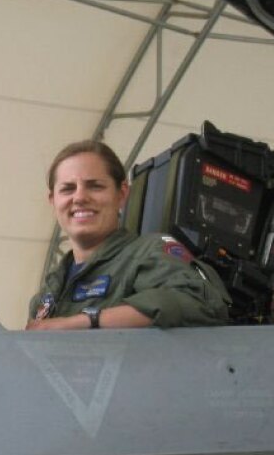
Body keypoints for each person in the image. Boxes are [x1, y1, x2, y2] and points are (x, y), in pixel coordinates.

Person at [27, 140, 231, 331]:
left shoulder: (148, 252)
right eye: (67, 189)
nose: (79, 197)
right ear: (53, 201)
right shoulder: (48, 292)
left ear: (122, 194)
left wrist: (85, 321)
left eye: (95, 186)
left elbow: (202, 301)